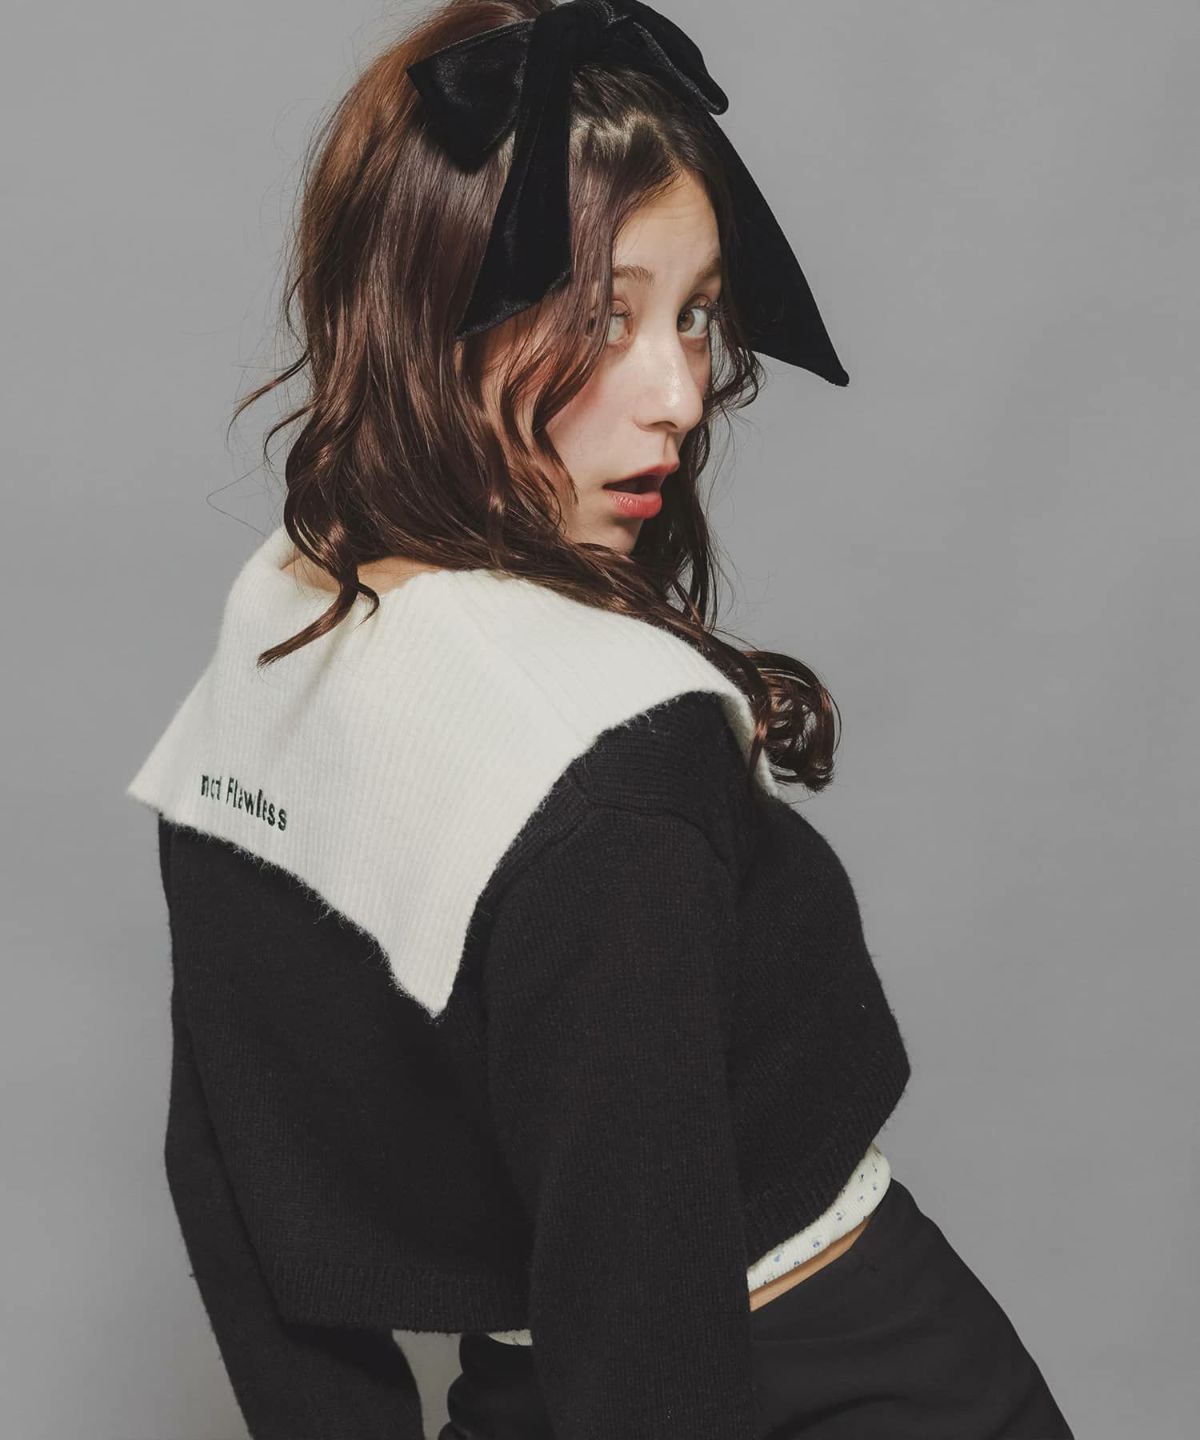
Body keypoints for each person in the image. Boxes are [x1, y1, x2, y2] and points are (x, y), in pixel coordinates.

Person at [125, 2, 1075, 1436]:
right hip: (671, 1373)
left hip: (837, 1379)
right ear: (429, 316)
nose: (681, 394)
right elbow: (249, 1165)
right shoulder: (605, 762)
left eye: (693, 313)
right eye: (602, 317)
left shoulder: (286, 621)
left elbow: (232, 1172)